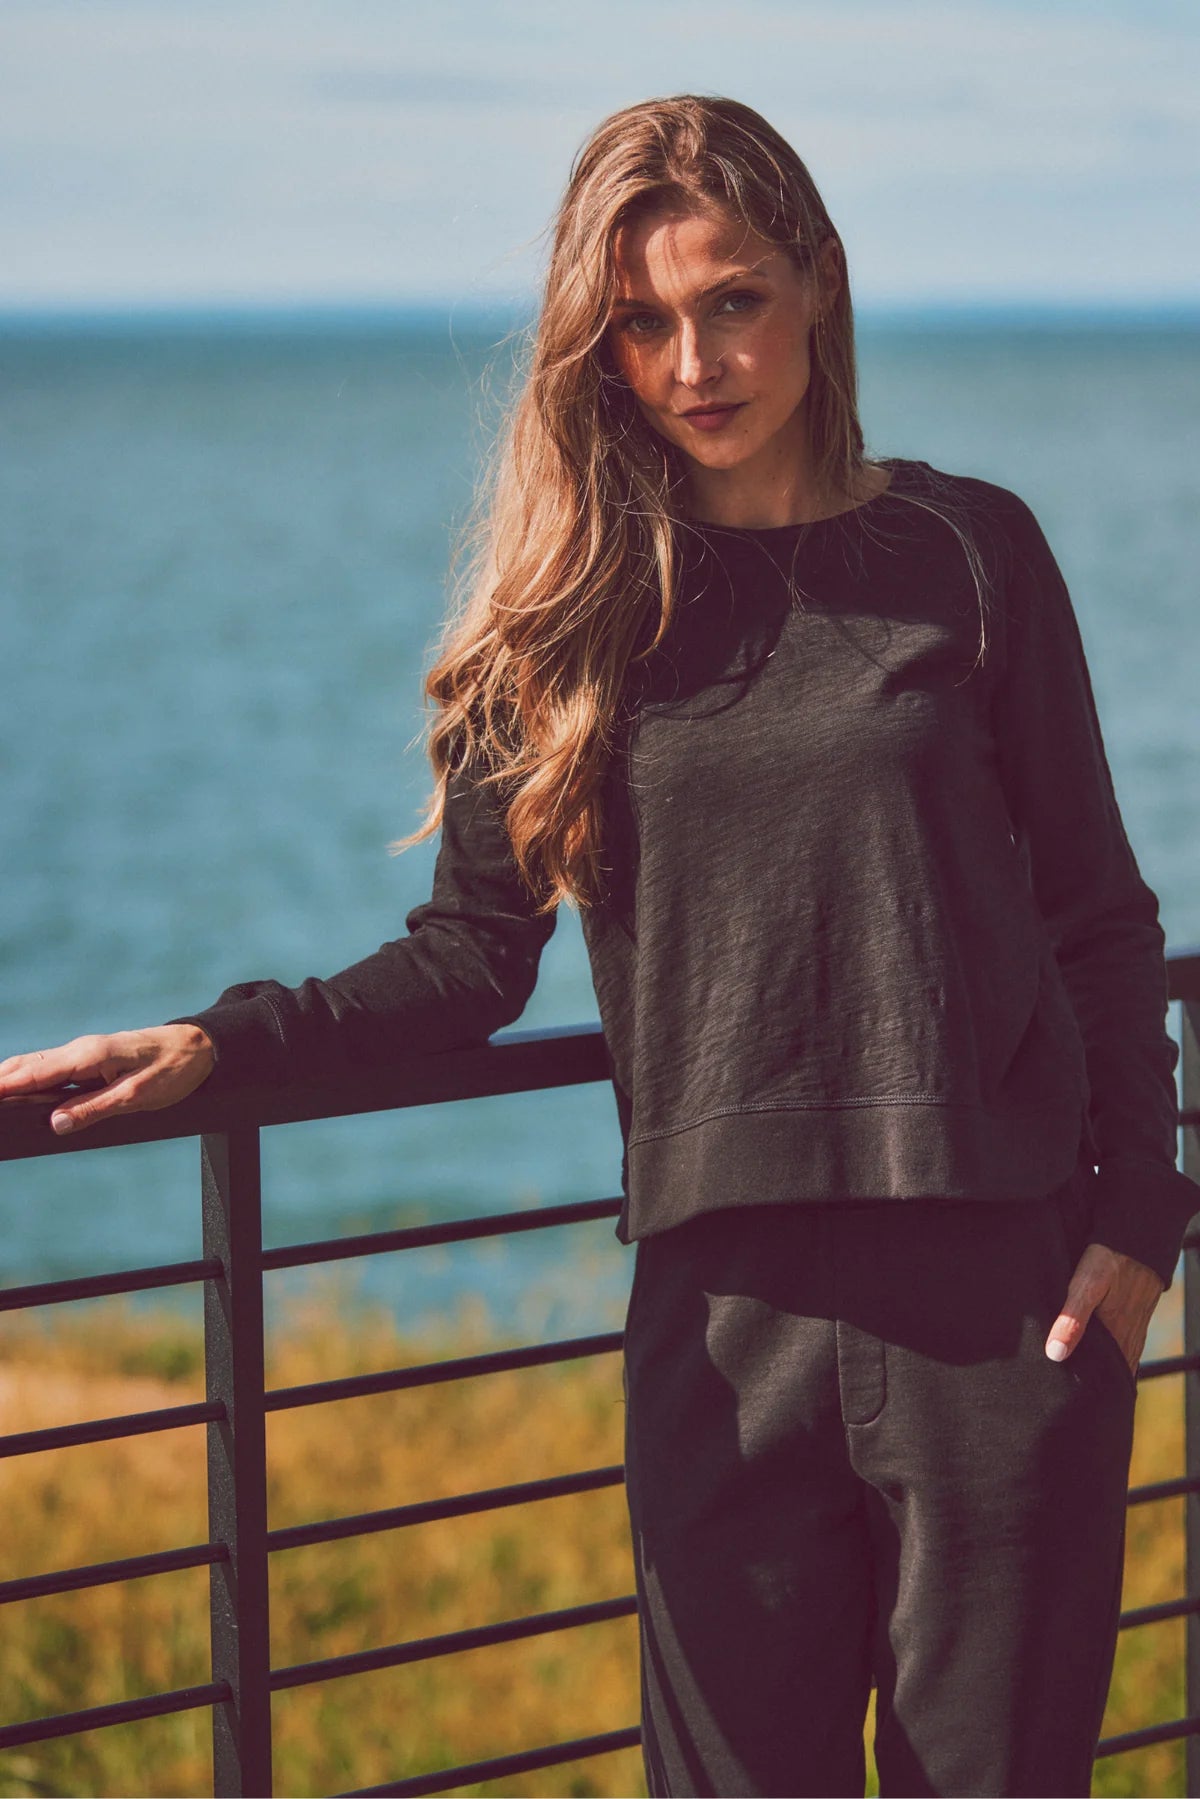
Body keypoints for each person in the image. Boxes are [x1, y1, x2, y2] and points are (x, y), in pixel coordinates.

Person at [0, 94, 1195, 1799]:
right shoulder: (563, 619)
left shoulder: (971, 553)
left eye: (734, 301)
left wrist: (1144, 1218)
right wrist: (225, 1043)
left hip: (1007, 1308)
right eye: (642, 321)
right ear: (595, 342)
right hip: (720, 1324)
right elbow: (470, 961)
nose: (695, 358)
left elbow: (1097, 912)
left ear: (818, 293)